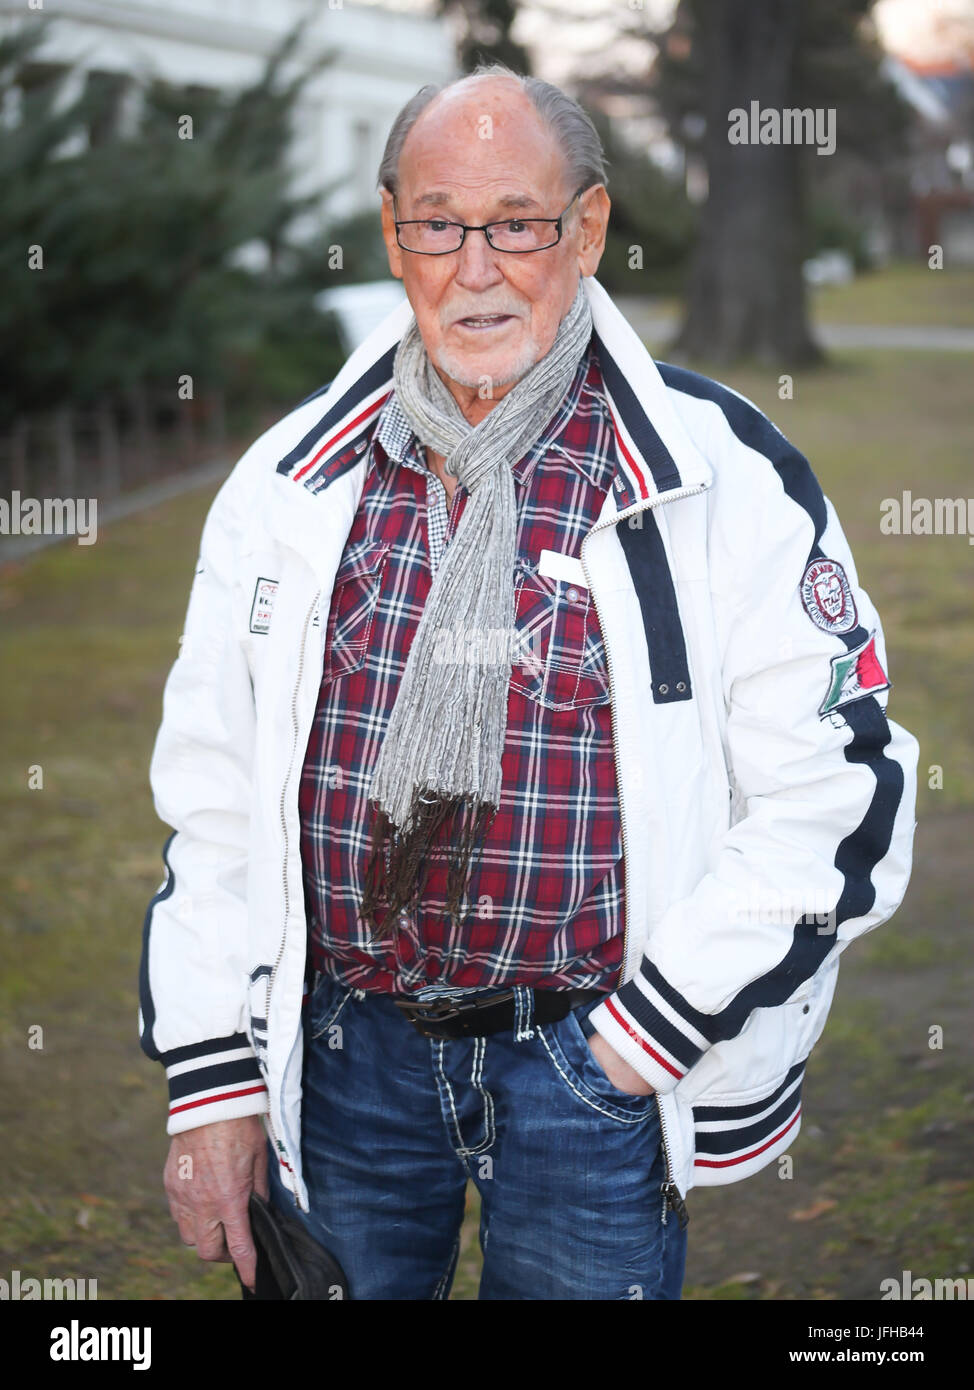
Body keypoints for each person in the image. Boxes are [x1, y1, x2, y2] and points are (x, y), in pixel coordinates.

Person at [140, 65, 918, 1301]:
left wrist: (637, 1041)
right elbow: (217, 803)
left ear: (589, 229)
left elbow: (841, 796)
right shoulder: (288, 482)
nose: (477, 264)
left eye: (519, 222)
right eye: (438, 222)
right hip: (343, 1063)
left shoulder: (717, 477)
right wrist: (212, 1085)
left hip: (585, 1073)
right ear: (394, 230)